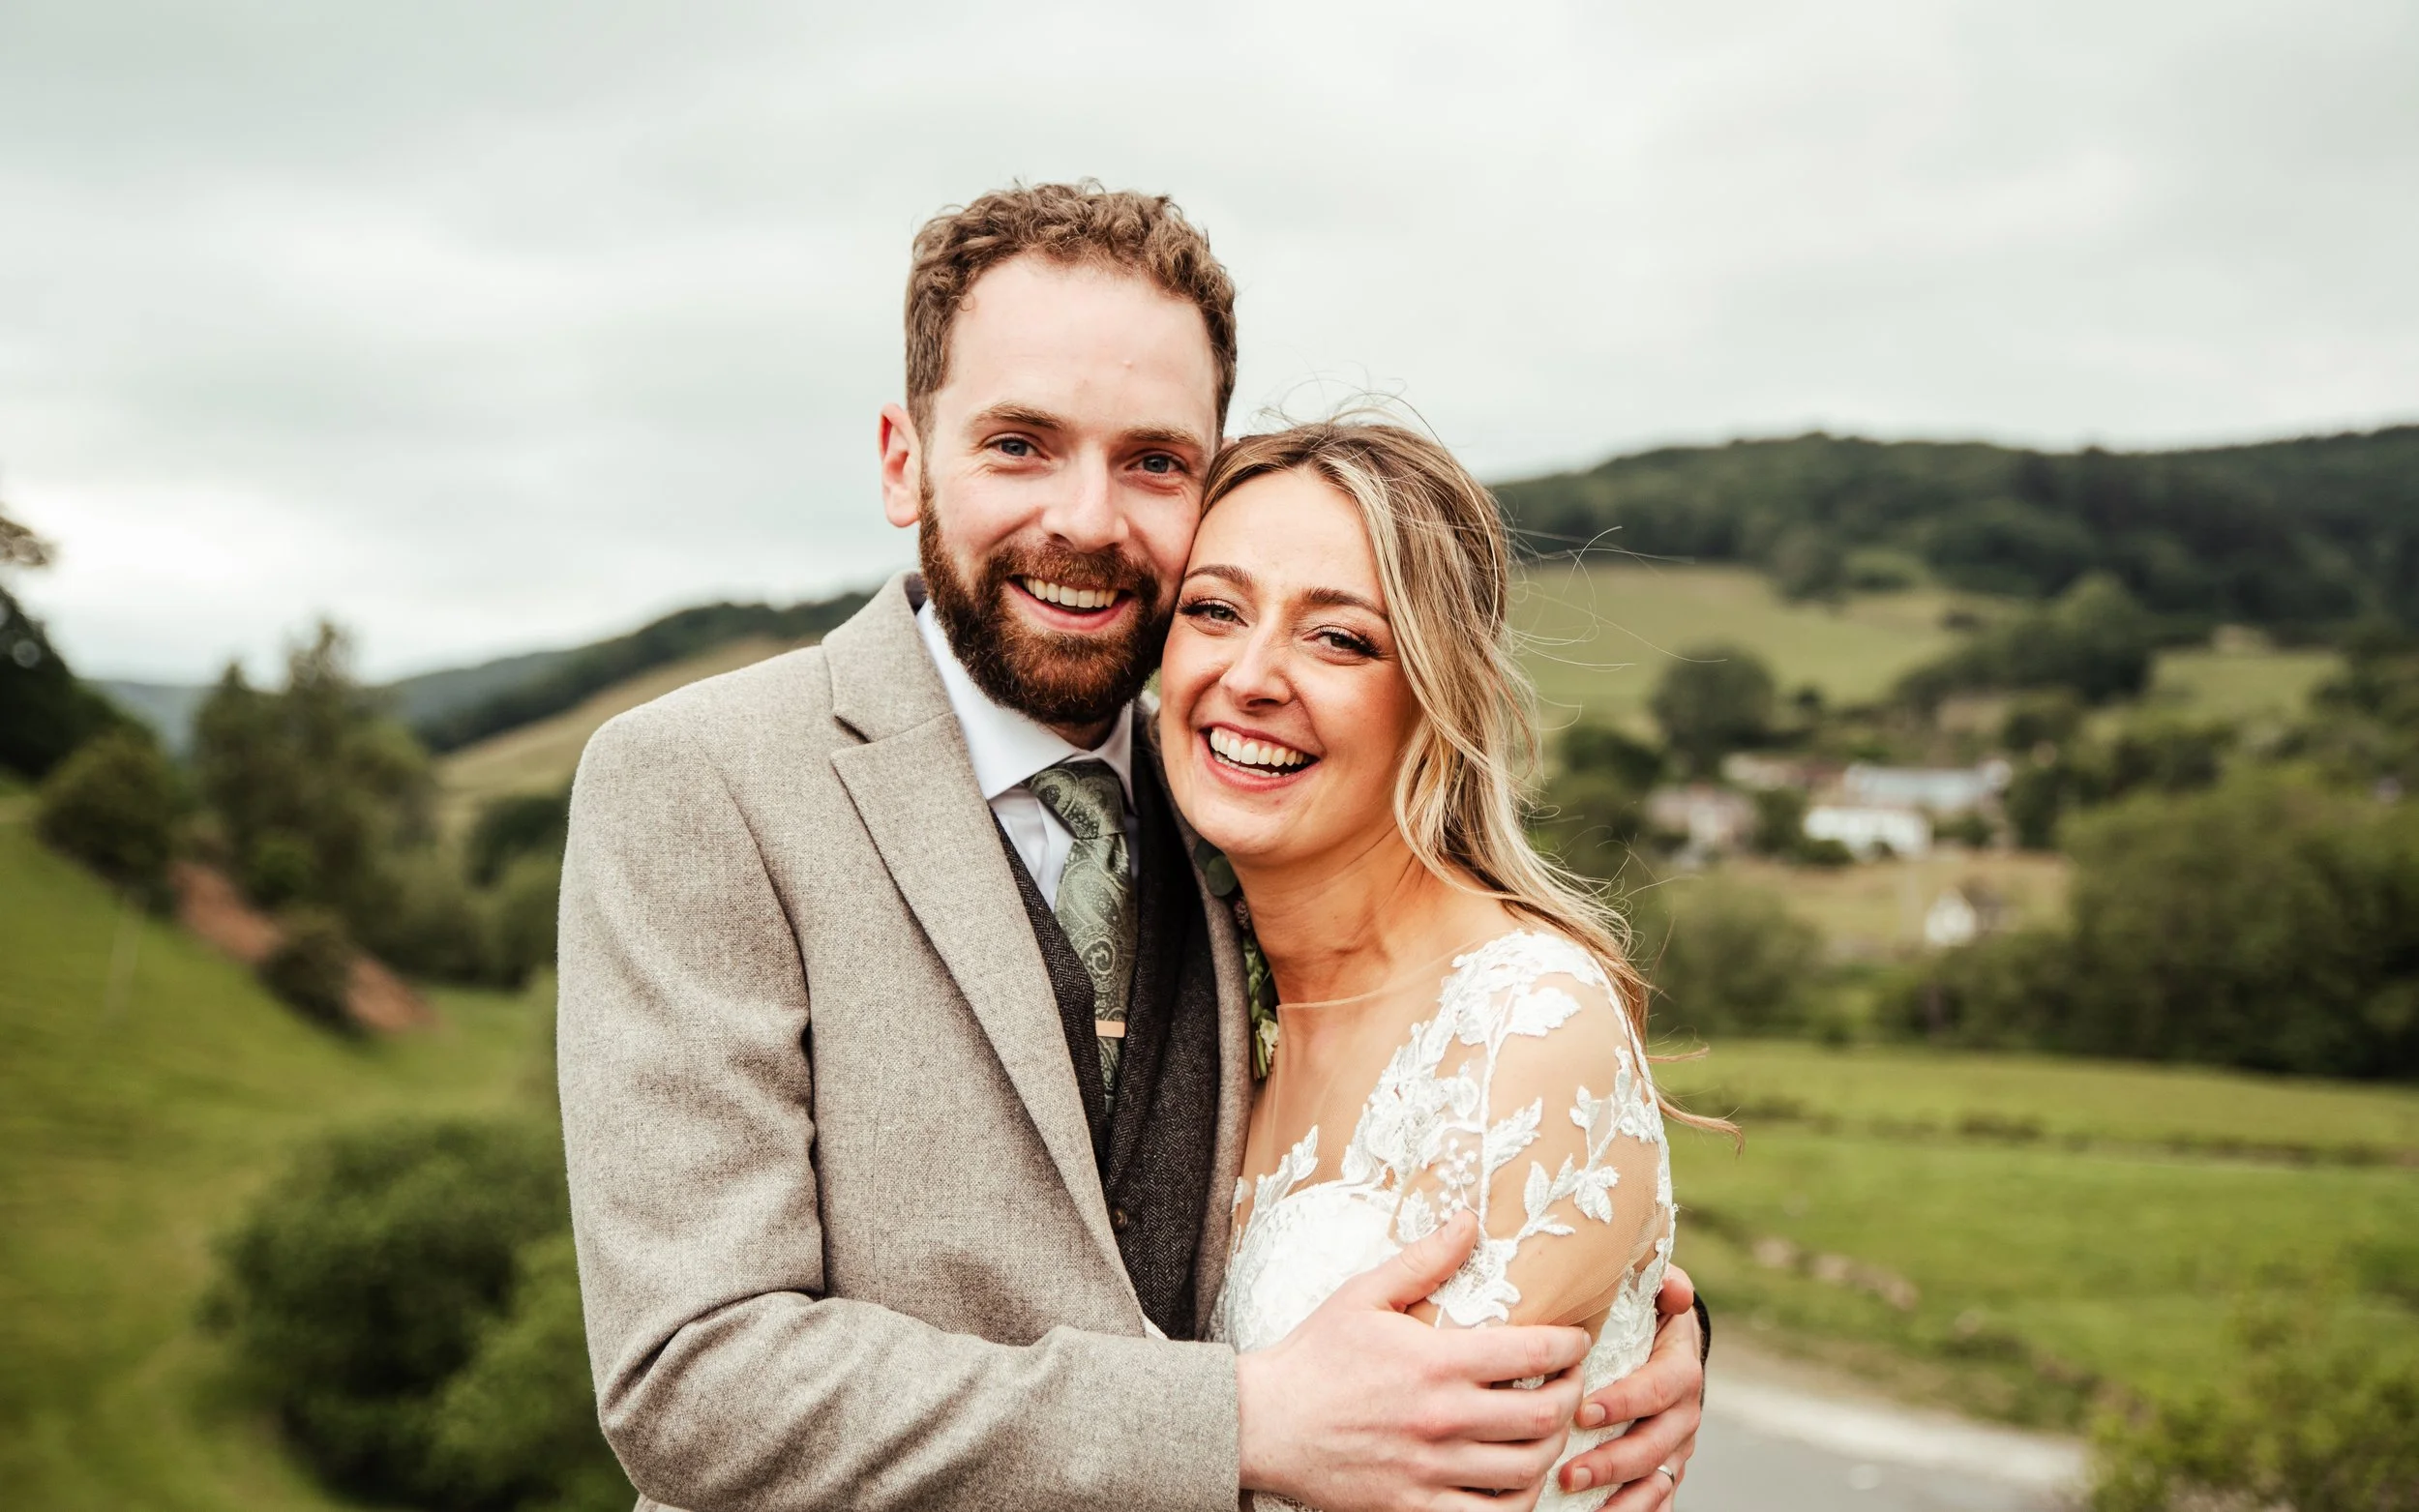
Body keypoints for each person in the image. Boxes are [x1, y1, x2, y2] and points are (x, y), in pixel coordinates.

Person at [558, 181, 1708, 1512]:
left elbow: (1420, 1129)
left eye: (1156, 460)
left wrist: (1628, 1324)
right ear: (900, 457)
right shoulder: (703, 781)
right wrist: (1236, 1422)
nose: (1090, 519)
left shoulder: (1243, 803)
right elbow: (694, 1377)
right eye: (1020, 443)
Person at [1170, 421, 1707, 1510]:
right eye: (1214, 610)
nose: (1253, 675)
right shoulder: (1210, 987)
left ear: (1436, 695)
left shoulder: (1525, 1024)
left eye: (1340, 640)